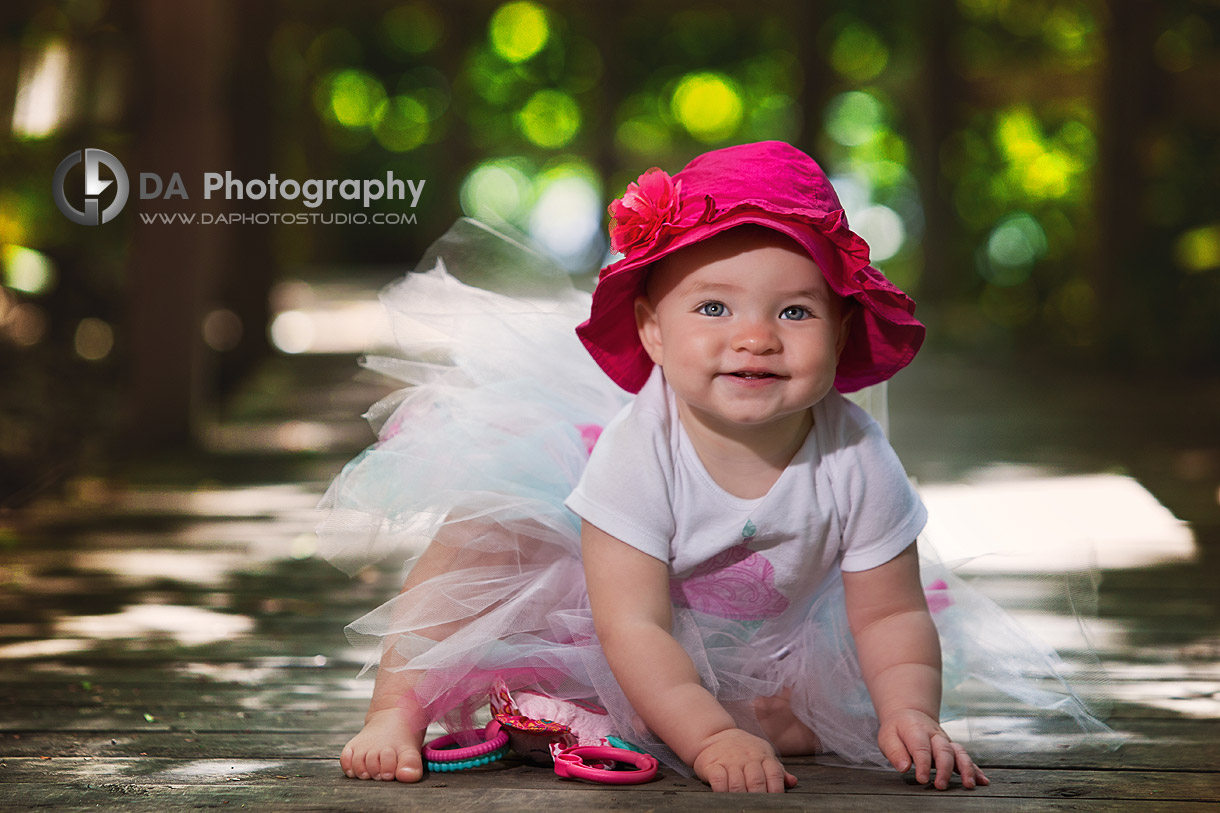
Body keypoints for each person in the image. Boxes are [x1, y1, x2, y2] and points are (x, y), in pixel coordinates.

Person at [319, 142, 1113, 793]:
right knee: (487, 529)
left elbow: (890, 617)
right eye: (713, 306)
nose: (756, 337)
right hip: (606, 603)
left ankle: (574, 712)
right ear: (653, 333)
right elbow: (631, 624)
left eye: (795, 311)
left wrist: (910, 710)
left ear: (841, 333)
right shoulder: (640, 450)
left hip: (749, 631)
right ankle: (398, 706)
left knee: (804, 727)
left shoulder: (856, 455)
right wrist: (708, 740)